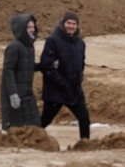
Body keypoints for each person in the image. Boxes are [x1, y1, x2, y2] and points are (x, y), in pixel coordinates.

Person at [39, 10, 91, 140]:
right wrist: (62, 83)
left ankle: (85, 145)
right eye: (69, 23)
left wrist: (79, 80)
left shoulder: (80, 44)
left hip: (74, 90)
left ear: (77, 26)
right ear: (63, 24)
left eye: (74, 24)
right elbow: (46, 65)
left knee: (84, 118)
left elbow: (81, 64)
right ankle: (30, 141)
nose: (71, 26)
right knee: (44, 120)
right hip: (56, 90)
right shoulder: (53, 41)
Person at [0, 13, 42, 131]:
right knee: (15, 131)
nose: (32, 30)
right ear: (21, 29)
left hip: (27, 94)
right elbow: (8, 71)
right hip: (15, 95)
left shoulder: (29, 46)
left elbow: (28, 66)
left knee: (34, 129)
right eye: (29, 27)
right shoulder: (14, 47)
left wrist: (46, 65)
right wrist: (13, 94)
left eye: (33, 27)